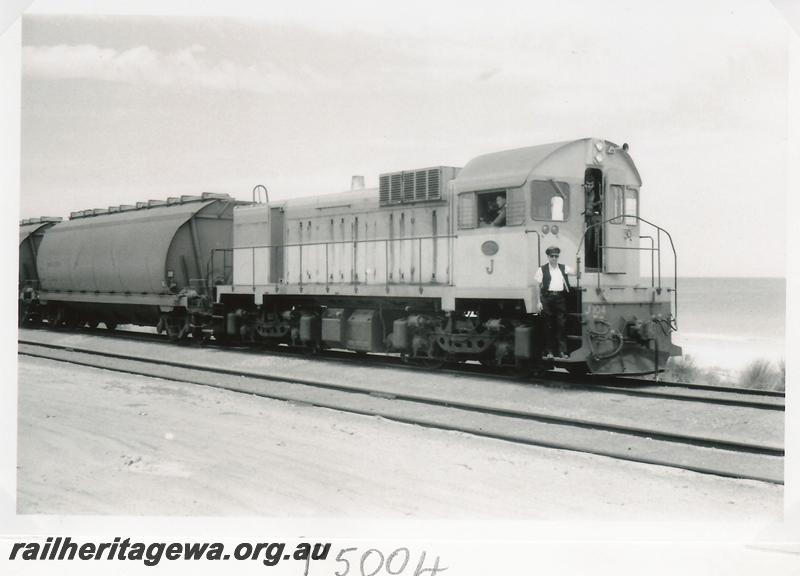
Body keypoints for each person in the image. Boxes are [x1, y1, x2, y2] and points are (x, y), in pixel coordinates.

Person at [535, 246, 573, 359]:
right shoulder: (541, 269)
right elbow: (538, 287)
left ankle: (562, 351)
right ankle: (549, 352)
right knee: (548, 326)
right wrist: (539, 302)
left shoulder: (563, 268)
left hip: (560, 298)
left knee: (561, 325)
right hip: (547, 299)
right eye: (552, 256)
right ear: (548, 257)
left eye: (556, 256)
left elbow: (576, 271)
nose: (554, 258)